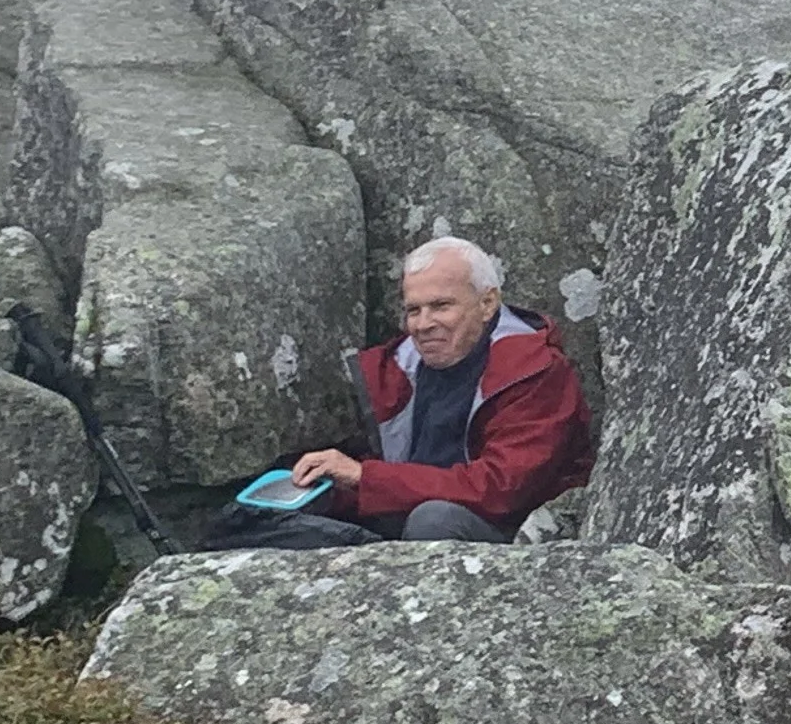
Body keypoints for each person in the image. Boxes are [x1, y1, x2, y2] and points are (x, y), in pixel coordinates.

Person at [227, 234, 595, 546]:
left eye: (441, 306)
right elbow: (385, 473)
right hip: (410, 508)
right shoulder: (399, 368)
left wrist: (364, 476)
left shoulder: (533, 372)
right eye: (413, 310)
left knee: (433, 520)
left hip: (508, 535)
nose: (423, 324)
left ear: (487, 303)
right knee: (253, 515)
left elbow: (499, 490)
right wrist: (325, 482)